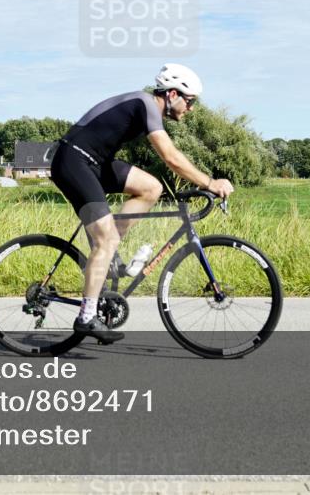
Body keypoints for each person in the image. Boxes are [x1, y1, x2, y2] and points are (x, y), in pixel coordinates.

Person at [51, 63, 234, 344]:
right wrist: (209, 183)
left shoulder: (147, 106)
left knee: (151, 188)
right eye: (190, 101)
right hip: (72, 161)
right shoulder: (146, 103)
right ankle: (86, 317)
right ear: (173, 94)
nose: (191, 109)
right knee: (105, 240)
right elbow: (170, 157)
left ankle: (110, 254)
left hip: (95, 163)